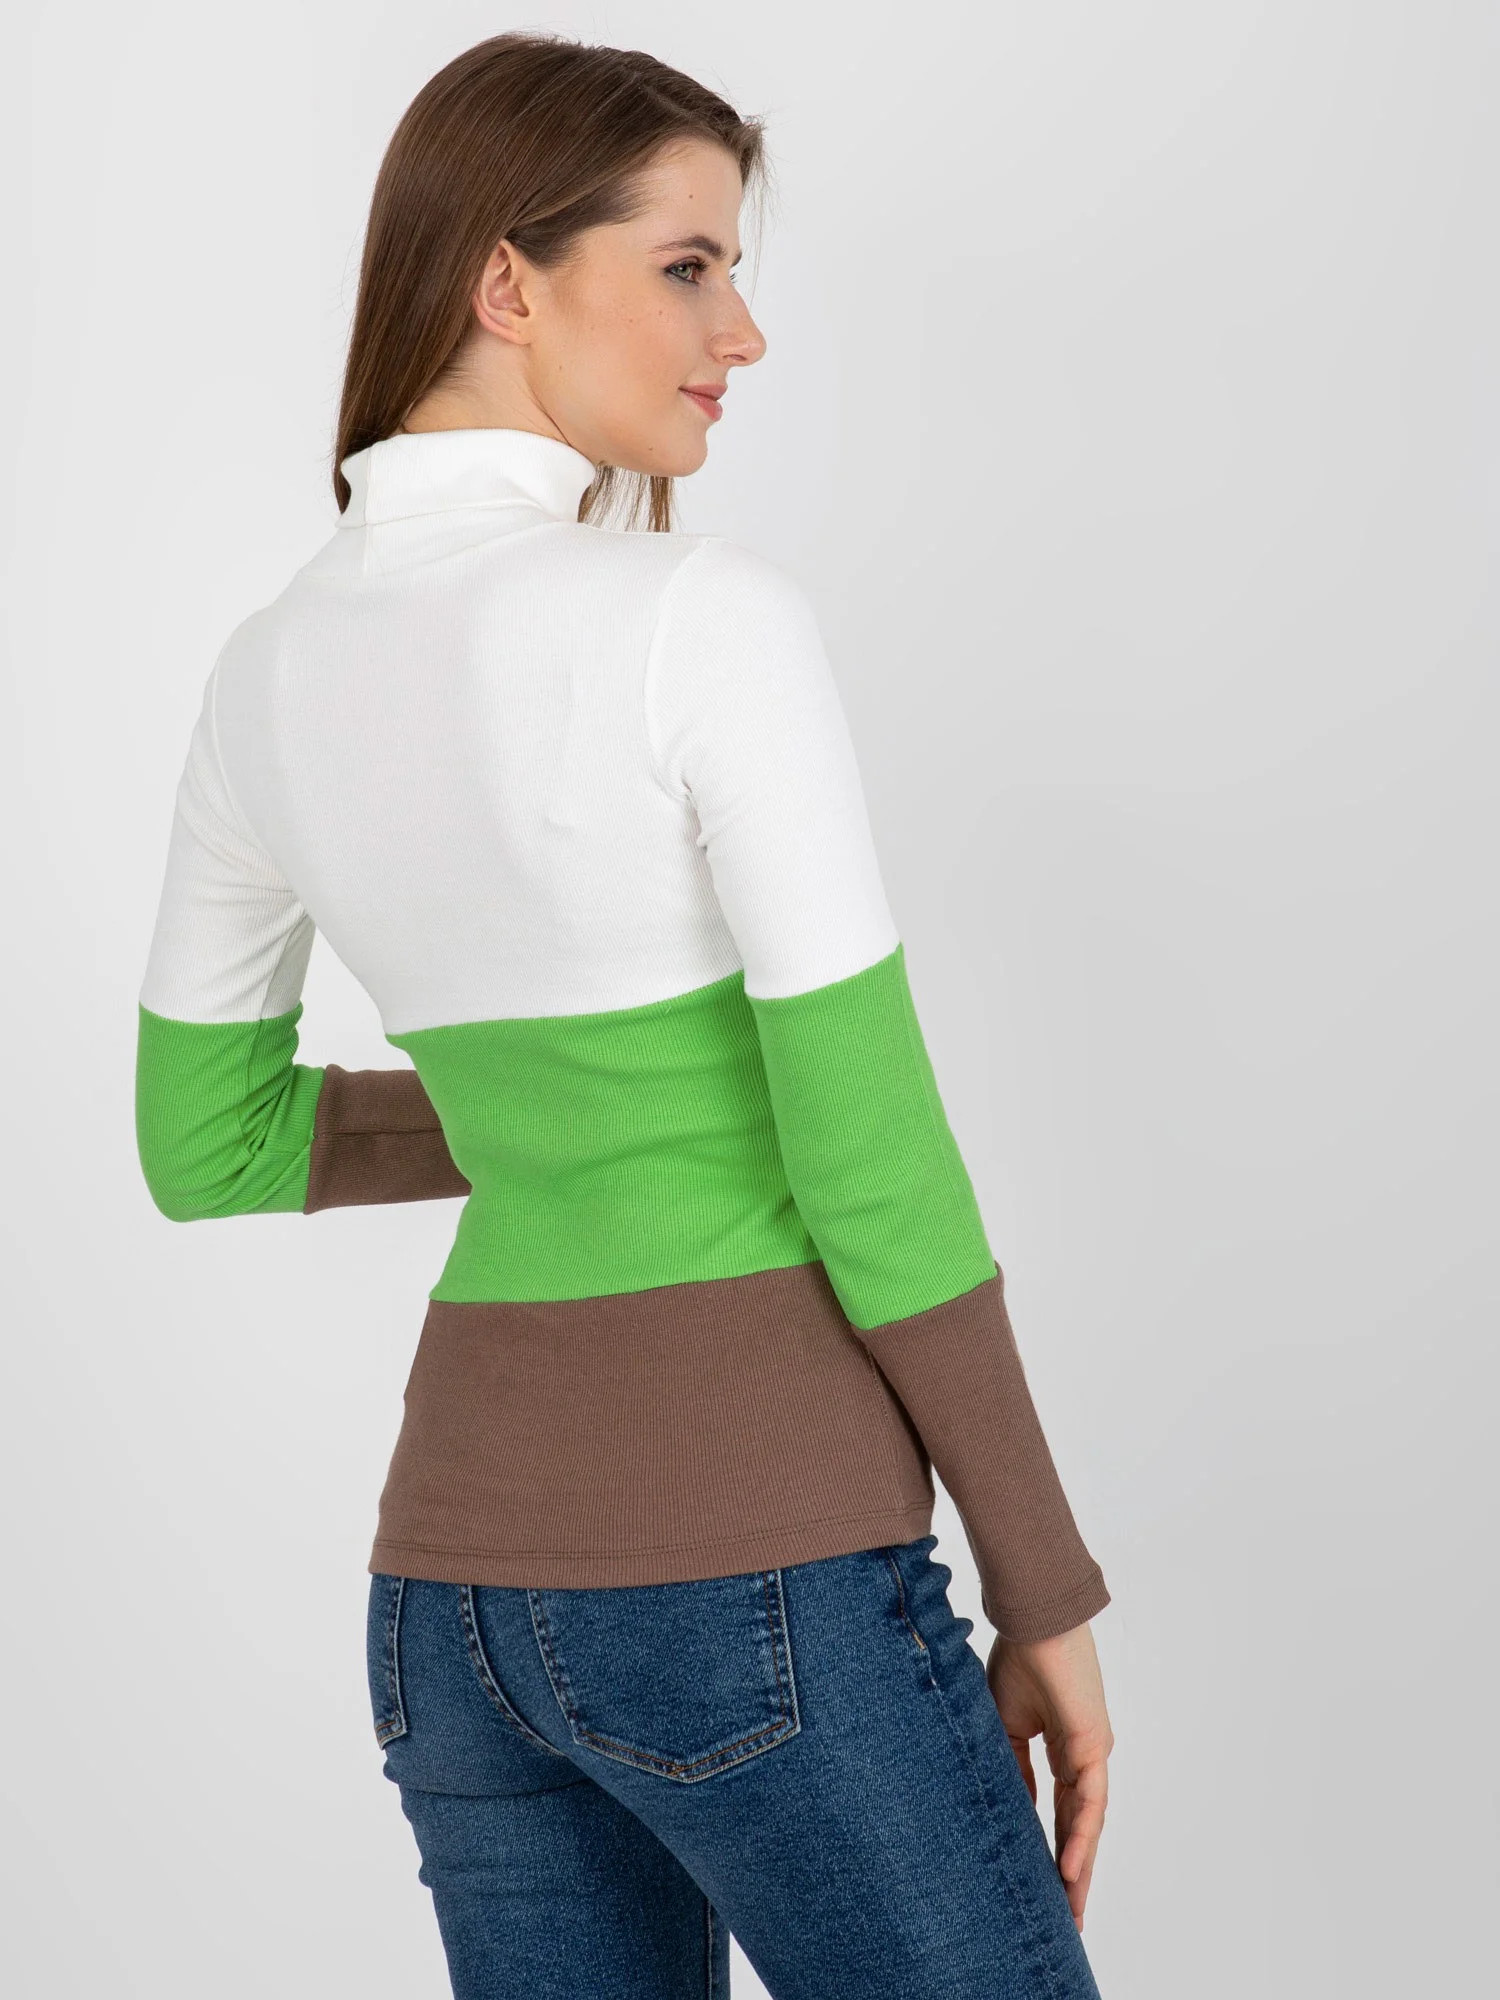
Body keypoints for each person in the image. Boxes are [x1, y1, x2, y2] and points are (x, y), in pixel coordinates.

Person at [134, 29, 1115, 2000]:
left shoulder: (264, 672)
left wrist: (554, 1118)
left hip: (452, 1611)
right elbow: (871, 1166)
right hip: (752, 1578)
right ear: (507, 282)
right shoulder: (700, 624)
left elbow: (204, 1143)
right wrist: (1047, 1588)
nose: (739, 334)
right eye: (687, 267)